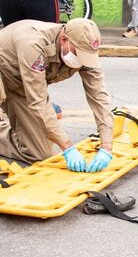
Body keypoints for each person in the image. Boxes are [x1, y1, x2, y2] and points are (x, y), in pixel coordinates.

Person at [0, 18, 114, 172]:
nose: (82, 59)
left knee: (41, 153)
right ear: (64, 38)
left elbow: (99, 96)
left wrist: (107, 146)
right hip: (4, 72)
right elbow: (38, 100)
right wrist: (67, 146)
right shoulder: (33, 43)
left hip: (19, 84)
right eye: (78, 53)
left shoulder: (86, 51)